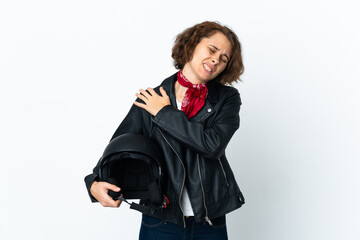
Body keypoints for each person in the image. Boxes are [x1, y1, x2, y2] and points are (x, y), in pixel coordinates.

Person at [84, 21, 245, 240]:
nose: (216, 59)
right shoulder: (150, 99)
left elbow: (212, 145)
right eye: (212, 49)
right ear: (192, 44)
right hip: (160, 219)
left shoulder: (226, 99)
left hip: (209, 221)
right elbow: (119, 147)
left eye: (224, 59)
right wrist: (93, 182)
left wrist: (163, 113)